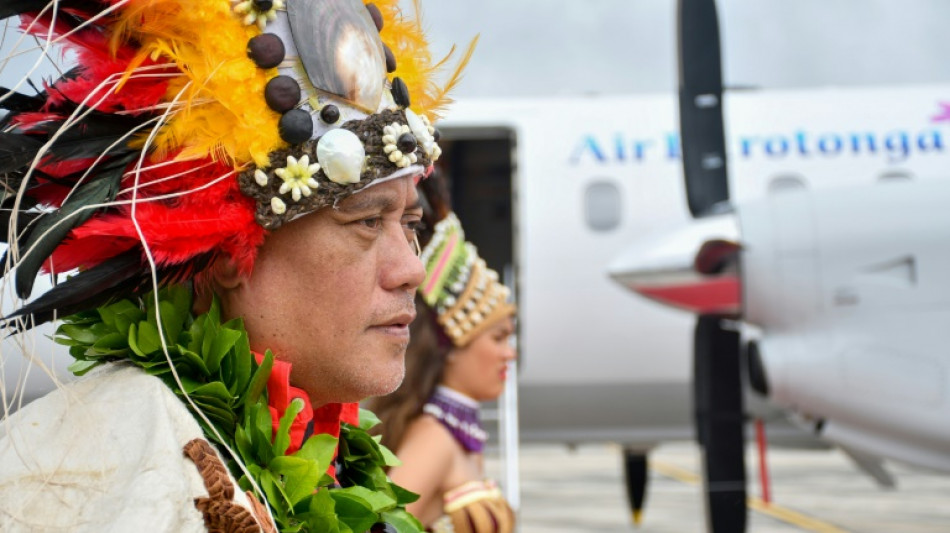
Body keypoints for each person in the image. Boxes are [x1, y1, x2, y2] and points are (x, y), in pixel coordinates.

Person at [0, 1, 473, 531]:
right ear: (231, 252)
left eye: (409, 224)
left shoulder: (323, 454)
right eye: (366, 222)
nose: (411, 270)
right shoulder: (124, 475)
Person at [367, 211, 518, 533]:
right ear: (450, 347)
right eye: (498, 337)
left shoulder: (455, 434)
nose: (510, 352)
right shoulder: (434, 436)